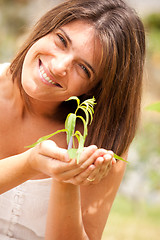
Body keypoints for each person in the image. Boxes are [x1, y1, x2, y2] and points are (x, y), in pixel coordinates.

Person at [0, 0, 145, 239]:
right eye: (62, 41)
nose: (58, 66)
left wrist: (67, 178)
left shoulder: (101, 141)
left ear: (94, 89)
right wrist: (30, 163)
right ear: (47, 27)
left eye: (84, 69)